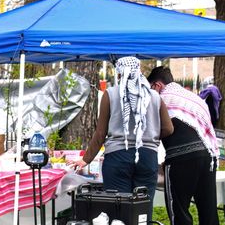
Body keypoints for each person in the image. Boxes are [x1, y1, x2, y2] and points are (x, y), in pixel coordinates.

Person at [147, 66, 224, 225]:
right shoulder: (193, 98)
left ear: (157, 85)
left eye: (151, 88)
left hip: (180, 158)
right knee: (207, 205)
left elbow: (160, 130)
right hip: (207, 155)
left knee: (178, 208)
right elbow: (203, 128)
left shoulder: (161, 99)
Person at [69, 56, 173, 199]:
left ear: (119, 73)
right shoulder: (154, 96)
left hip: (118, 157)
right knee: (142, 207)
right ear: (138, 72)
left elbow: (100, 133)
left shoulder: (110, 94)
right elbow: (169, 129)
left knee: (119, 206)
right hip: (147, 157)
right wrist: (148, 135)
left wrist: (85, 160)